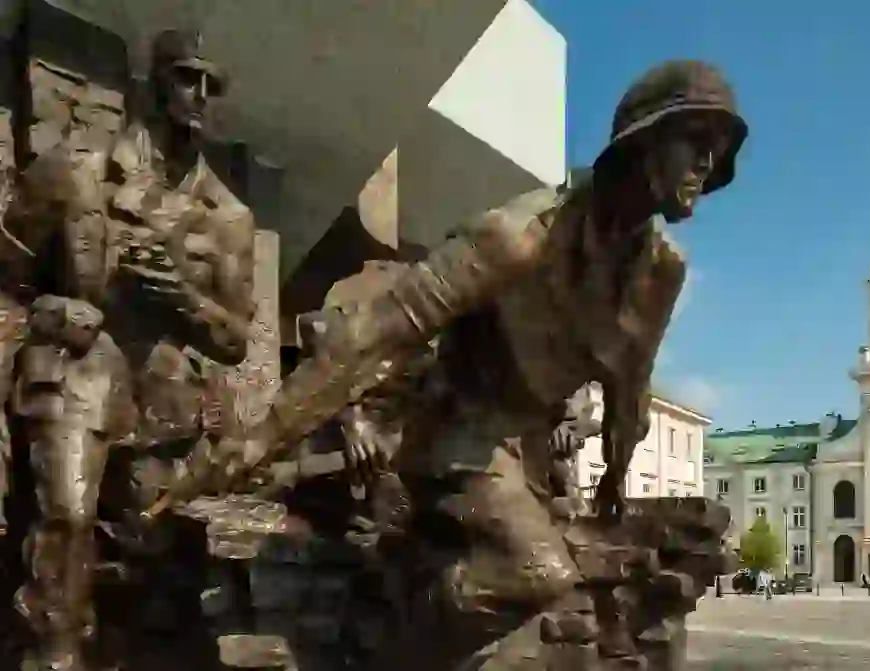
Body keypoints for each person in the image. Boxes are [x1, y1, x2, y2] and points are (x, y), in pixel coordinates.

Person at [146, 59, 749, 666]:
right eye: (696, 142)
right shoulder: (520, 236)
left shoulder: (660, 270)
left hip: (532, 454)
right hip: (455, 435)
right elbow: (375, 337)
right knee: (537, 573)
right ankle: (387, 648)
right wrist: (257, 441)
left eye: (718, 154)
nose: (707, 166)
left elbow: (631, 381)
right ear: (643, 140)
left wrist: (615, 481)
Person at [2, 30, 254, 669]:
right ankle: (51, 656)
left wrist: (182, 297)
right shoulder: (76, 168)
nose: (197, 94)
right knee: (68, 515)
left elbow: (234, 339)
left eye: (210, 84)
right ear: (153, 81)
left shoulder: (228, 217)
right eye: (185, 77)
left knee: (151, 550)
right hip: (76, 367)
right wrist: (49, 313)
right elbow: (8, 275)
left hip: (164, 400)